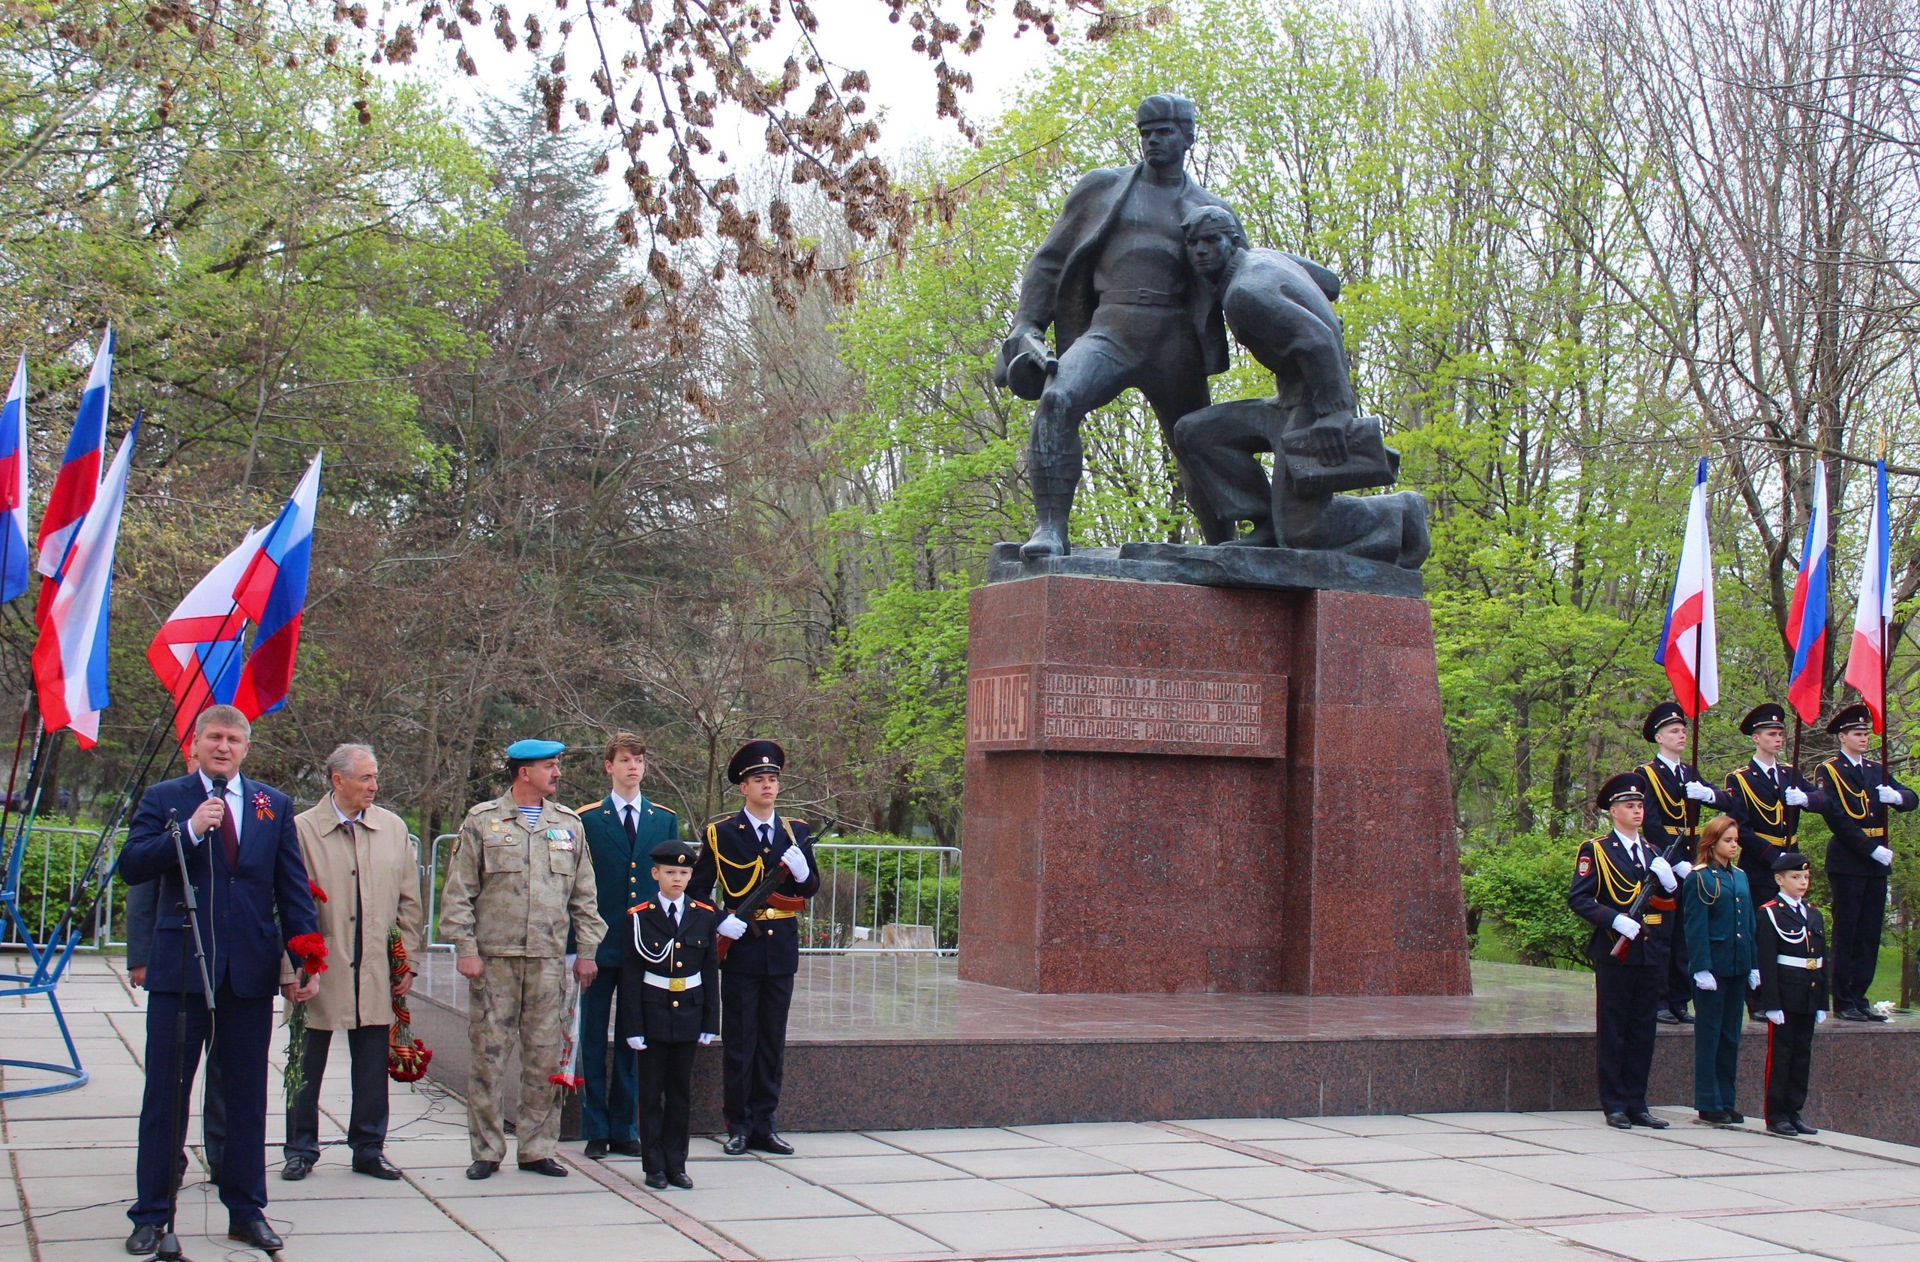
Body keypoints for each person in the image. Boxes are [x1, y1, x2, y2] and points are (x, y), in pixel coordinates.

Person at [993, 94, 1239, 557]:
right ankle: (1050, 529)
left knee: (1196, 441)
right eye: (1145, 133)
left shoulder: (1210, 210)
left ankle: (1226, 547)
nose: (1151, 141)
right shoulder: (1103, 189)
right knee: (1059, 398)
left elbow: (1240, 280)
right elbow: (1049, 262)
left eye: (1163, 132)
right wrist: (1027, 323)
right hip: (1111, 328)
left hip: (1174, 339)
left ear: (1188, 136)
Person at [118, 705, 318, 1256]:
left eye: (233, 739)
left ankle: (246, 1211)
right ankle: (153, 1215)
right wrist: (187, 832)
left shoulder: (270, 805)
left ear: (246, 748)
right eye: (214, 737)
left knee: (246, 1099)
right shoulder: (168, 800)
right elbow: (132, 866)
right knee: (167, 1097)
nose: (223, 747)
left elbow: (291, 886)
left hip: (248, 973)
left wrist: (307, 956)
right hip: (182, 969)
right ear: (196, 744)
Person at [439, 738, 604, 1180]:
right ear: (523, 772)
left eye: (557, 766)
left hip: (550, 961)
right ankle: (487, 1149)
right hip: (495, 961)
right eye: (549, 766)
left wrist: (586, 952)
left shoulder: (569, 825)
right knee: (489, 1057)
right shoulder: (483, 821)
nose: (557, 773)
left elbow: (585, 896)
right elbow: (458, 894)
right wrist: (466, 949)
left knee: (545, 1059)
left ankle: (536, 1148)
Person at [280, 743, 426, 1181]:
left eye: (375, 777)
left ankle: (368, 1147)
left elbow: (409, 901)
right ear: (337, 780)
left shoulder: (393, 828)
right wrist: (292, 969)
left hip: (377, 966)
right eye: (365, 778)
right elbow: (285, 902)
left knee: (370, 1065)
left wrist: (408, 961)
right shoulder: (301, 830)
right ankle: (300, 1147)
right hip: (319, 966)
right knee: (305, 1062)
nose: (373, 786)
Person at [688, 740, 821, 1155]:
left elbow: (811, 888)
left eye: (772, 779)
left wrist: (803, 873)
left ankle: (766, 1121)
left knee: (771, 1039)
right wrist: (718, 918)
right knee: (741, 1038)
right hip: (742, 947)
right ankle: (739, 1124)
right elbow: (697, 891)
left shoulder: (795, 832)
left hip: (780, 948)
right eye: (759, 780)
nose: (767, 785)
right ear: (743, 787)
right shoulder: (722, 833)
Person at [575, 731, 676, 1159]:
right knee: (594, 1036)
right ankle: (596, 1127)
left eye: (639, 760)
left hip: (644, 946)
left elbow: (669, 881)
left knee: (636, 1038)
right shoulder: (587, 818)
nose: (633, 766)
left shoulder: (662, 817)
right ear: (609, 766)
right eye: (625, 760)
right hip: (600, 942)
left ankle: (625, 1126)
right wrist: (577, 947)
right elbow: (578, 886)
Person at [1568, 772, 1679, 1130]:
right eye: (1630, 806)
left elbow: (1666, 904)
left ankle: (1637, 1102)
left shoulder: (1653, 852)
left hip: (1650, 951)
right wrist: (1614, 920)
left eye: (1640, 805)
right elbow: (1580, 898)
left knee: (1643, 1028)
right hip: (1615, 950)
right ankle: (1614, 1103)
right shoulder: (1596, 850)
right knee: (1614, 1026)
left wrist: (1670, 883)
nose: (1637, 811)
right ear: (1613, 811)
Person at [618, 837, 718, 1189]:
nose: (677, 878)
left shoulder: (703, 916)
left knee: (680, 1095)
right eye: (670, 872)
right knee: (651, 1094)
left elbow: (709, 971)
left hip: (689, 1013)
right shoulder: (639, 917)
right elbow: (630, 974)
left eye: (684, 872)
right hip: (653, 1013)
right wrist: (631, 1025)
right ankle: (654, 1166)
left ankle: (677, 1164)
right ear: (655, 873)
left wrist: (710, 1020)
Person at [1812, 702, 1917, 1021]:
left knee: (1871, 932)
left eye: (1866, 732)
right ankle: (1843, 999)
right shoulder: (1829, 771)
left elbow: (1912, 798)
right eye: (1858, 733)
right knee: (1849, 930)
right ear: (1842, 737)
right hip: (1849, 859)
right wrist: (1869, 848)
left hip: (1876, 863)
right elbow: (1836, 817)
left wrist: (1897, 798)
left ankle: (1860, 995)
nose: (1865, 738)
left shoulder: (1876, 769)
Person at [1721, 702, 1823, 1020]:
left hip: (1790, 864)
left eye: (1780, 733)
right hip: (1761, 865)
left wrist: (1807, 798)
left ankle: (1787, 993)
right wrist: (1773, 856)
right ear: (1756, 738)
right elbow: (1741, 828)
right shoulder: (1741, 779)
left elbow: (1823, 801)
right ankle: (1759, 998)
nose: (1778, 739)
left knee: (1791, 930)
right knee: (1762, 931)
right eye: (1771, 733)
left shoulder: (1790, 774)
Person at [1636, 700, 1729, 1025]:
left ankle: (1679, 999)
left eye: (1683, 730)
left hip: (1693, 856)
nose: (1681, 735)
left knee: (1687, 935)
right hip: (1664, 859)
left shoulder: (1690, 773)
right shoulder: (1646, 774)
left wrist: (1707, 795)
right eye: (1674, 731)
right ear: (1659, 737)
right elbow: (1650, 823)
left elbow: (1727, 800)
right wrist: (1674, 863)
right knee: (1663, 934)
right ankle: (1660, 1000)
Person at [1683, 815, 1759, 1124]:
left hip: (1737, 964)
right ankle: (1708, 1101)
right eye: (1728, 840)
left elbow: (1749, 924)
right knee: (1710, 1035)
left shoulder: (1739, 876)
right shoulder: (1699, 877)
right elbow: (1695, 927)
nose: (1734, 845)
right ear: (1712, 843)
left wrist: (1753, 963)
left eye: (1736, 840)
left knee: (1731, 1037)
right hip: (1712, 968)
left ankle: (1726, 1099)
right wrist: (1701, 967)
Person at [1755, 850, 1829, 1136]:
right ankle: (1776, 1115)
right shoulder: (1770, 912)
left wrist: (1823, 1000)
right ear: (1779, 879)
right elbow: (1767, 961)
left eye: (1806, 877)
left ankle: (1794, 1110)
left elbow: (1822, 960)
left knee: (1802, 1054)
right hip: (1785, 994)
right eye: (1796, 877)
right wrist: (1770, 1002)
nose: (1803, 882)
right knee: (1782, 1054)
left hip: (1809, 993)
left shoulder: (1813, 913)